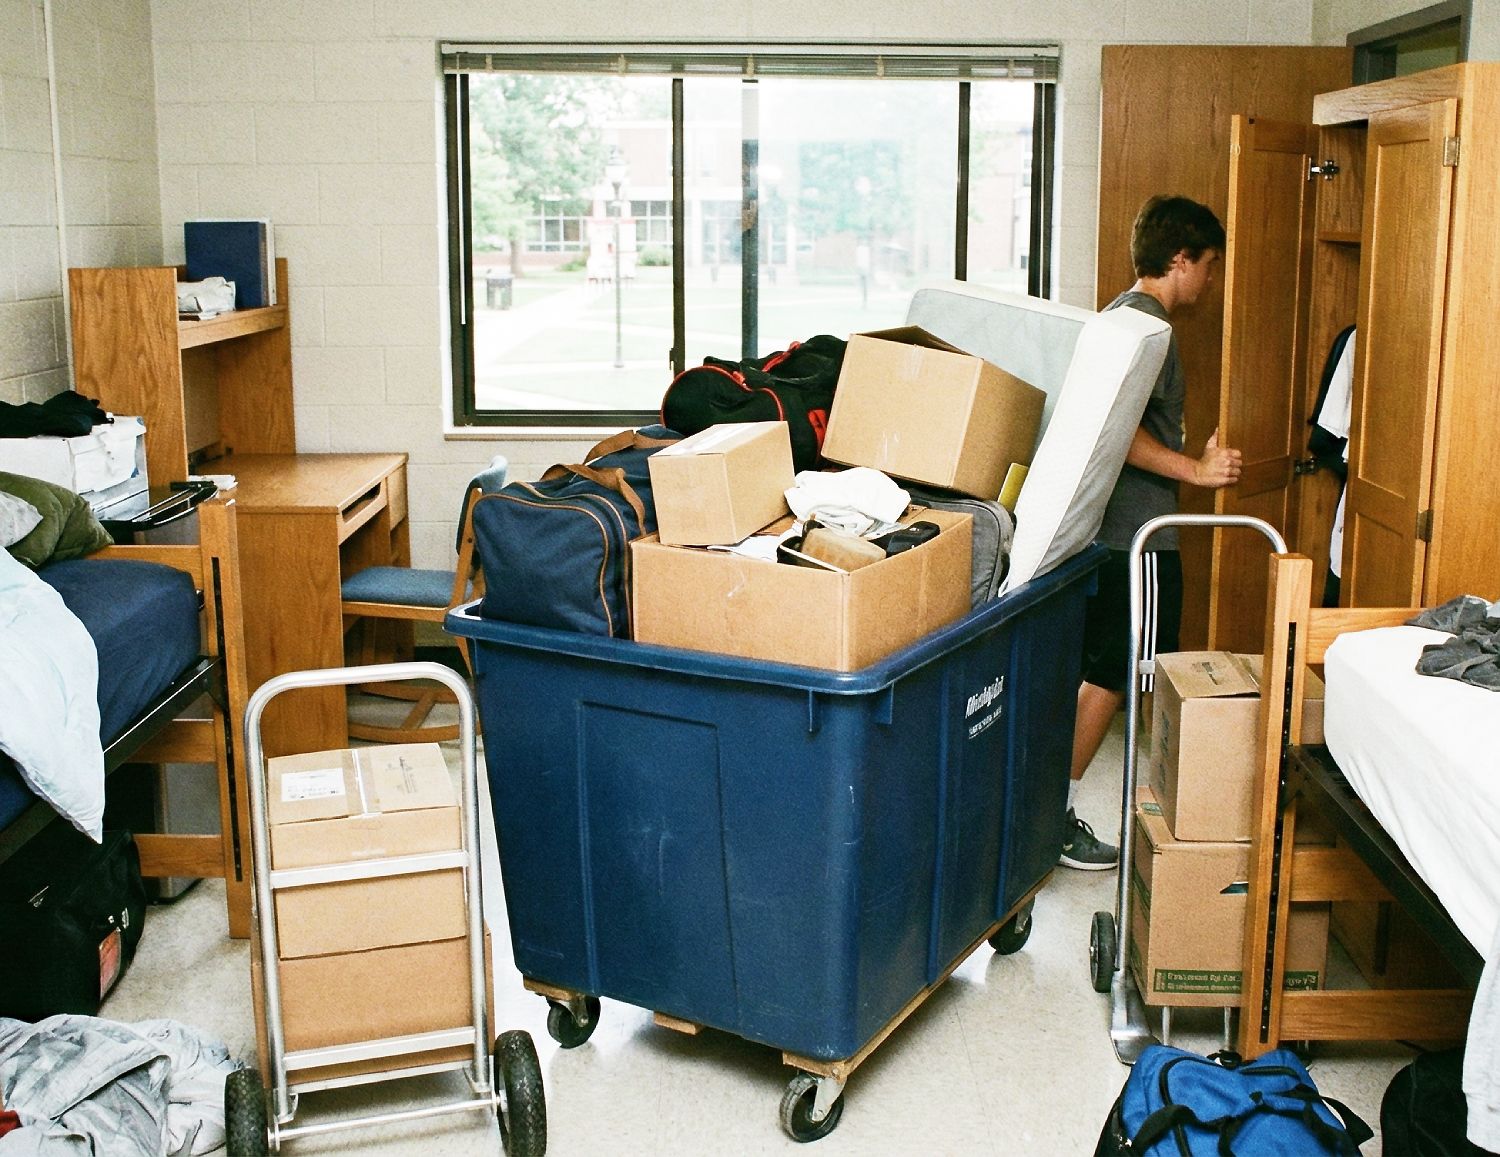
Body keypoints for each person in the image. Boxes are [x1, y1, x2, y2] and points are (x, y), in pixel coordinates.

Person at [1060, 194, 1243, 870]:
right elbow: (1123, 431)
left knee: (1105, 672)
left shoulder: (1119, 316)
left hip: (1112, 533)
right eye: (1210, 265)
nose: (1211, 281)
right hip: (1137, 535)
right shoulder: (1150, 332)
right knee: (1116, 674)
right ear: (1181, 259)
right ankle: (1052, 819)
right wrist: (1197, 469)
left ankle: (1046, 811)